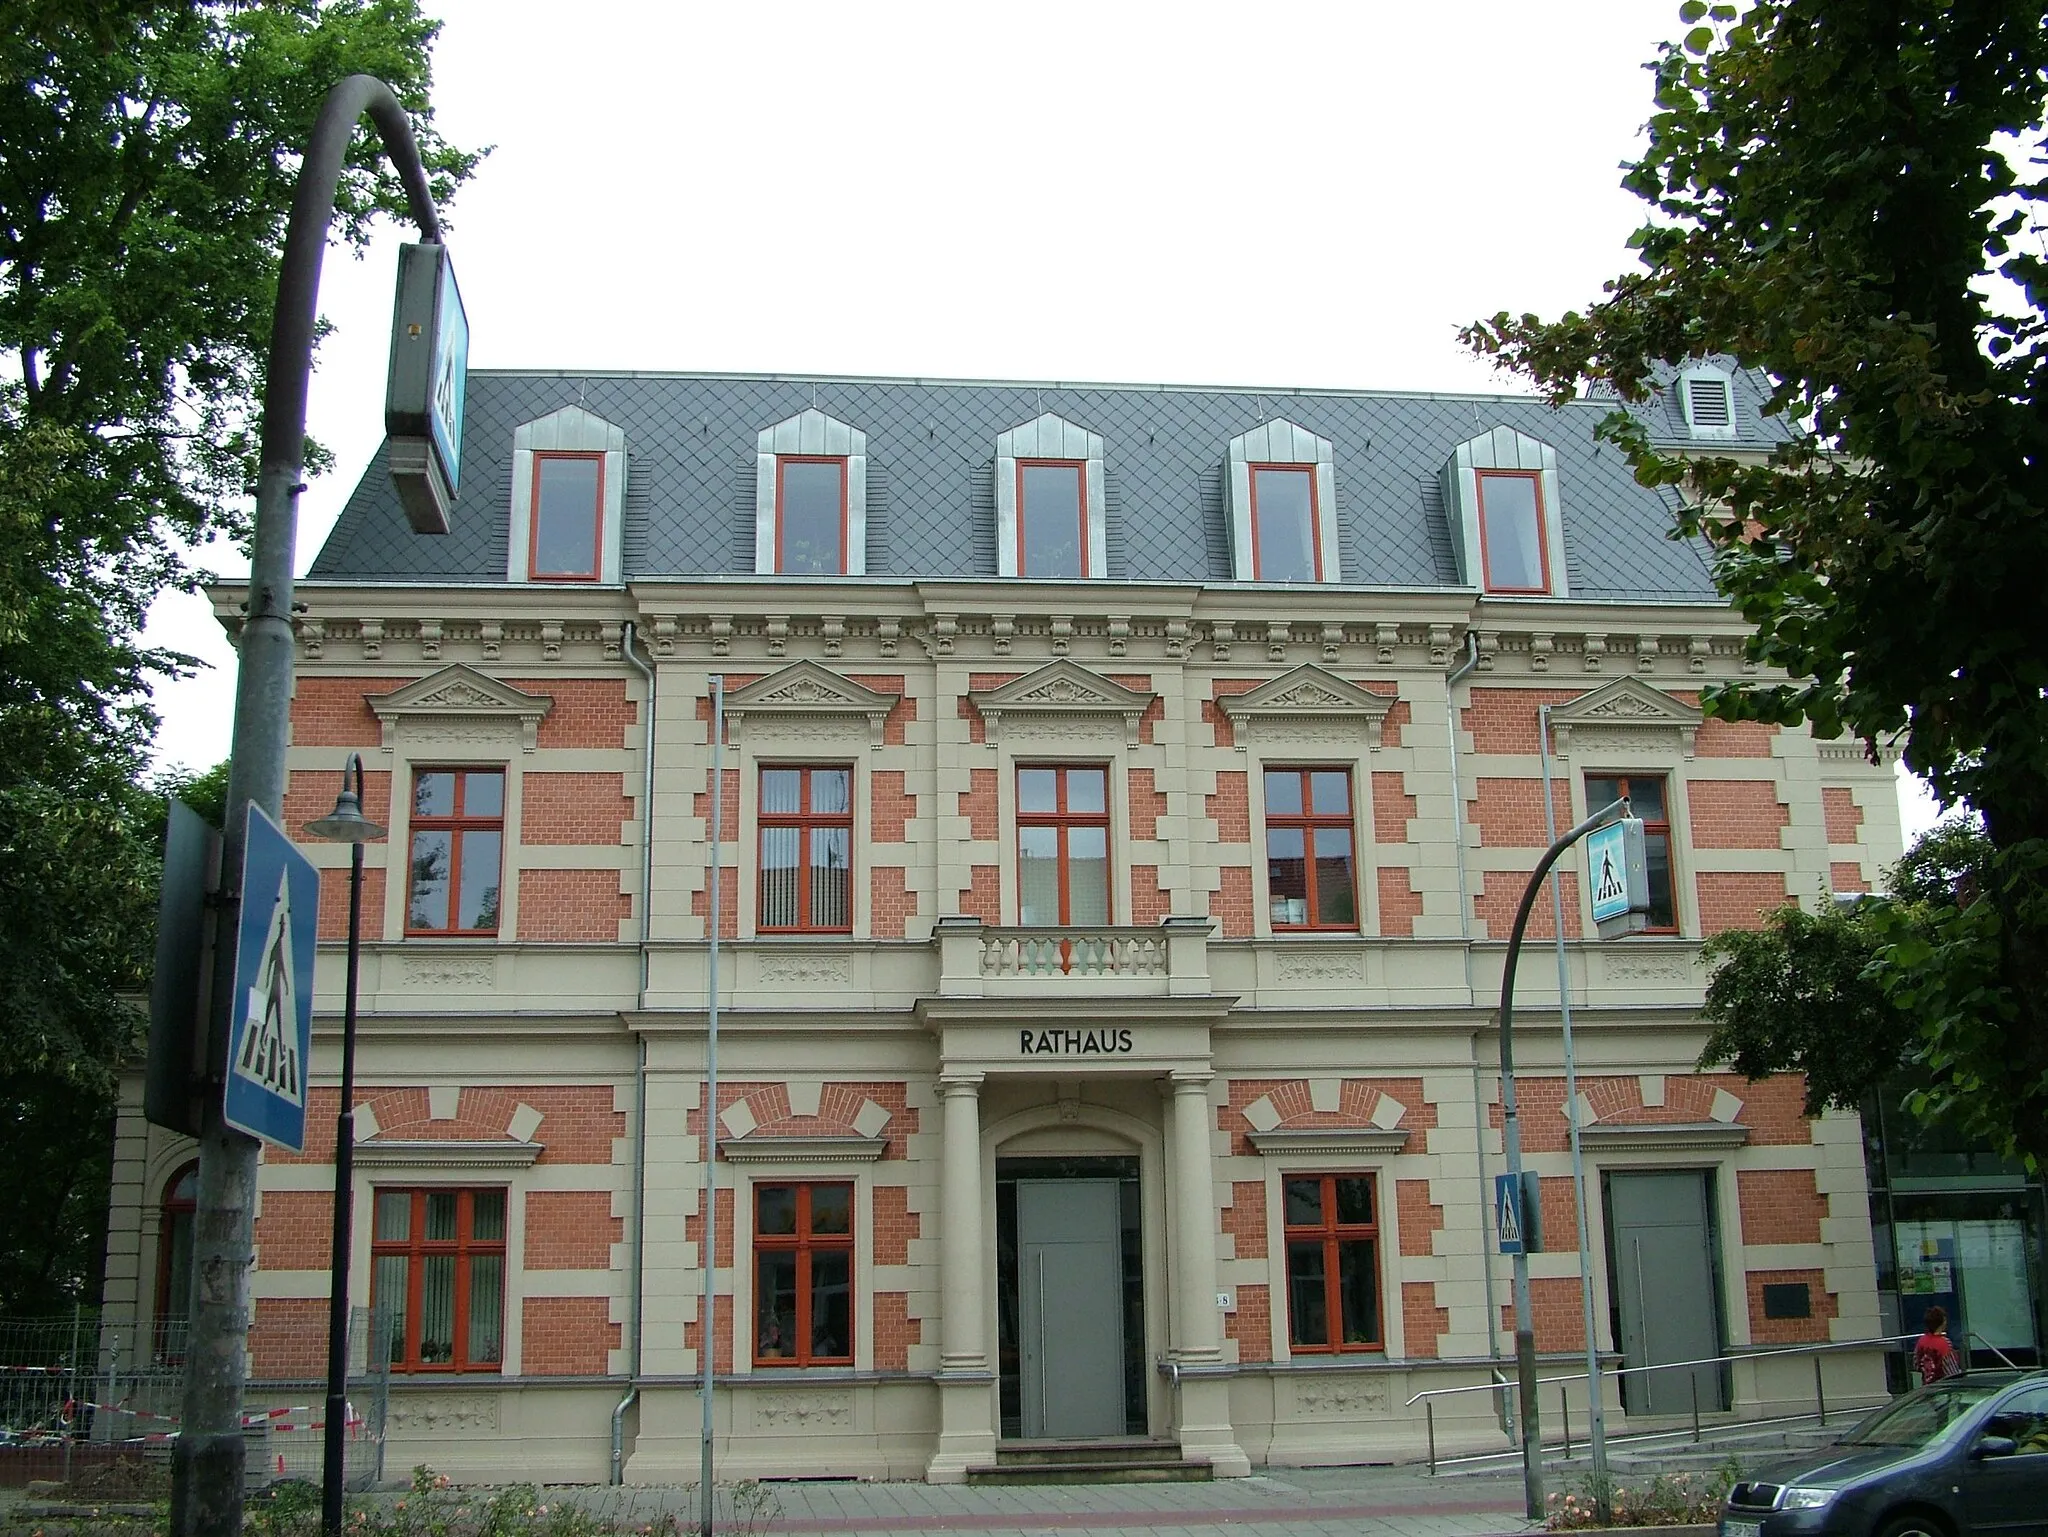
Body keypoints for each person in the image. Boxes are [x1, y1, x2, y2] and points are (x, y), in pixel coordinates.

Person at [1914, 1304, 1962, 1385]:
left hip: (1927, 1386)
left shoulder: (1921, 1340)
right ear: (1942, 1322)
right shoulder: (1944, 1343)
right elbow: (1951, 1370)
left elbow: (1916, 1364)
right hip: (1942, 1387)